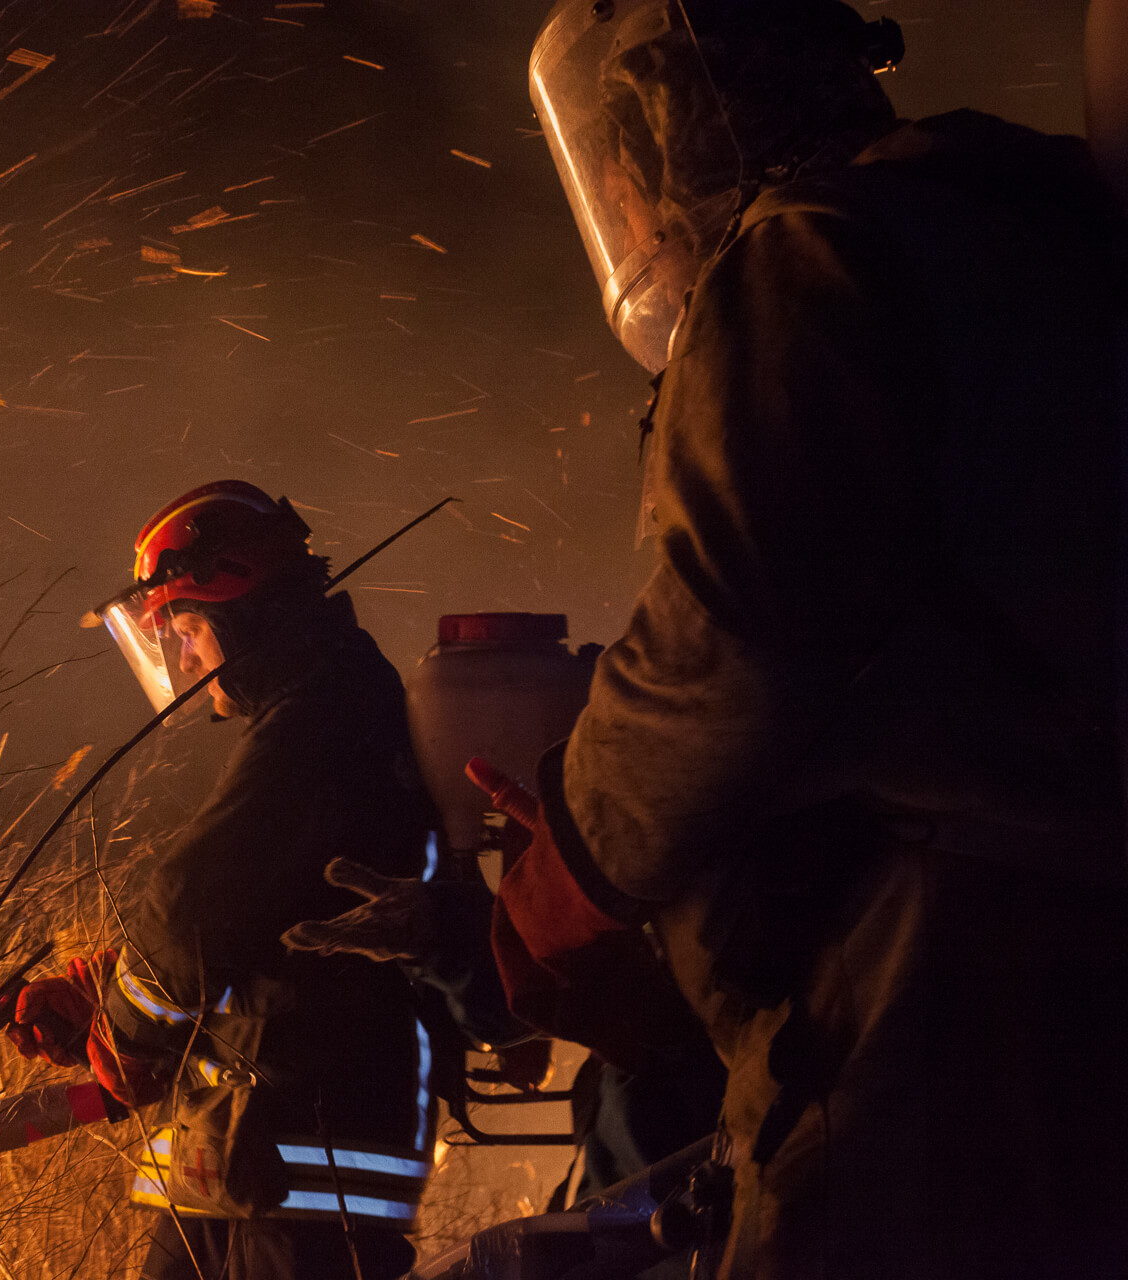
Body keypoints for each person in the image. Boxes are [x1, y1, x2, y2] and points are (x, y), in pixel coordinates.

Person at [478, 2, 1125, 1277]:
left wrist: (578, 856)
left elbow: (732, 645)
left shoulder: (806, 255)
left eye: (624, 170)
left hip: (930, 1012)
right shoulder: (1018, 232)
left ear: (672, 132)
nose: (627, 211)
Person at [5, 480, 438, 1280]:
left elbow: (190, 912)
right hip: (249, 1128)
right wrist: (106, 988)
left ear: (241, 612)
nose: (189, 657)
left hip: (306, 1139)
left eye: (190, 626)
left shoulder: (321, 717)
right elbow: (256, 909)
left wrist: (126, 1031)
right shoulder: (330, 697)